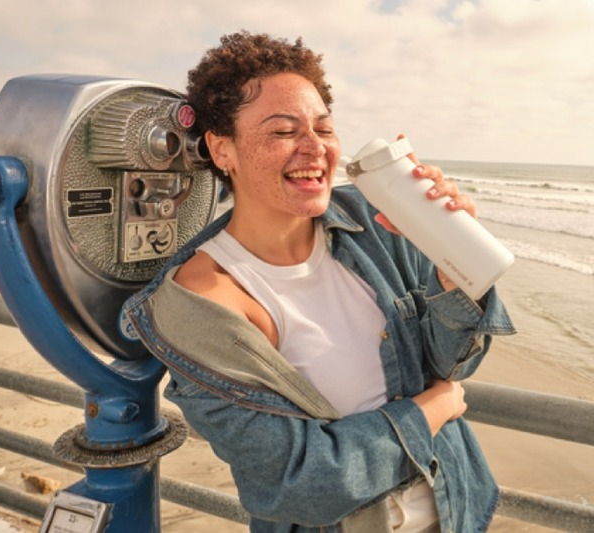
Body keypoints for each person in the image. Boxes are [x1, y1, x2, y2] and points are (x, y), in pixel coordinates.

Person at [124, 31, 515, 533]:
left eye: (325, 129)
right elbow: (298, 483)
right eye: (283, 131)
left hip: (457, 508)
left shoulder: (377, 222)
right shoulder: (200, 304)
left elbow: (453, 361)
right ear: (223, 151)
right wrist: (432, 409)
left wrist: (455, 271)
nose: (315, 149)